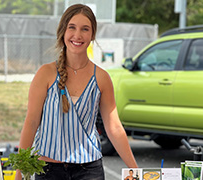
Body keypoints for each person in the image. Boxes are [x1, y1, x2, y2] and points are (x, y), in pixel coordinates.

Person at [15, 3, 138, 180]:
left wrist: (136, 170)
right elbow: (31, 122)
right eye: (72, 27)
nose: (77, 35)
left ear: (92, 34)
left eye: (85, 29)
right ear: (63, 31)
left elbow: (114, 127)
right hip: (48, 170)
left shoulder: (101, 78)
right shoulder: (45, 73)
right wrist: (19, 173)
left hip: (89, 170)